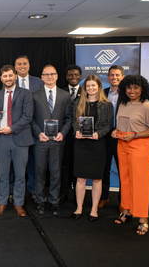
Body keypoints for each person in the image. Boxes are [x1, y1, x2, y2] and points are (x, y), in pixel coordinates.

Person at [112, 75, 149, 235]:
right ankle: (127, 210)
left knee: (140, 183)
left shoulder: (147, 106)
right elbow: (124, 124)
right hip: (122, 145)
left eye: (136, 87)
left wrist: (135, 135)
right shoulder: (123, 103)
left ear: (142, 89)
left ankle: (143, 218)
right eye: (129, 87)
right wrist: (116, 131)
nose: (132, 91)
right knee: (125, 180)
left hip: (140, 147)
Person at [0, 65, 33, 216]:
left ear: (15, 76)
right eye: (5, 76)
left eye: (10, 75)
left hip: (20, 139)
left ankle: (18, 203)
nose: (8, 78)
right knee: (2, 174)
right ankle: (2, 203)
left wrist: (12, 128)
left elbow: (28, 117)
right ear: (1, 78)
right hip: (2, 140)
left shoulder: (26, 94)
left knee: (20, 175)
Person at [31, 65, 72, 216]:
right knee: (39, 172)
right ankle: (40, 201)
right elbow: (31, 119)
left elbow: (69, 118)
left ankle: (54, 201)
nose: (49, 77)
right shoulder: (34, 95)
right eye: (46, 74)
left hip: (57, 140)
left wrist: (63, 133)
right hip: (40, 140)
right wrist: (38, 133)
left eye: (52, 74)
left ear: (57, 76)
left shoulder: (65, 95)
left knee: (56, 172)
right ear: (41, 77)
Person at [72, 75, 113, 221]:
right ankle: (79, 208)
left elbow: (108, 125)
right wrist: (76, 130)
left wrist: (98, 134)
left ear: (99, 87)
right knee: (80, 178)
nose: (90, 88)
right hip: (81, 145)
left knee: (97, 179)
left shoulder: (106, 104)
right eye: (88, 86)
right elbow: (74, 121)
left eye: (93, 86)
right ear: (85, 88)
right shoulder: (78, 102)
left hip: (97, 144)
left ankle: (94, 209)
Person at [14, 55, 44, 204]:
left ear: (29, 66)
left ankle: (32, 190)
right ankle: (14, 192)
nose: (22, 66)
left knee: (33, 162)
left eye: (24, 63)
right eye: (19, 64)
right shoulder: (10, 81)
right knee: (15, 164)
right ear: (15, 67)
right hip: (16, 129)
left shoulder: (38, 82)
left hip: (34, 127)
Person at [100, 65, 125, 209]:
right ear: (108, 77)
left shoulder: (127, 94)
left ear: (122, 76)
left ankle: (123, 201)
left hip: (121, 137)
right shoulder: (102, 93)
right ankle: (104, 197)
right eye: (112, 75)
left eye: (117, 75)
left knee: (123, 170)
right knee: (104, 168)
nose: (114, 77)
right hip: (105, 136)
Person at [60, 64, 83, 204]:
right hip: (64, 135)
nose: (73, 77)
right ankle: (63, 192)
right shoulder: (61, 92)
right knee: (64, 166)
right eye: (70, 75)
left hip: (81, 137)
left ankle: (77, 195)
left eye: (76, 74)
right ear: (66, 77)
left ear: (80, 76)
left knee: (78, 166)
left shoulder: (87, 92)